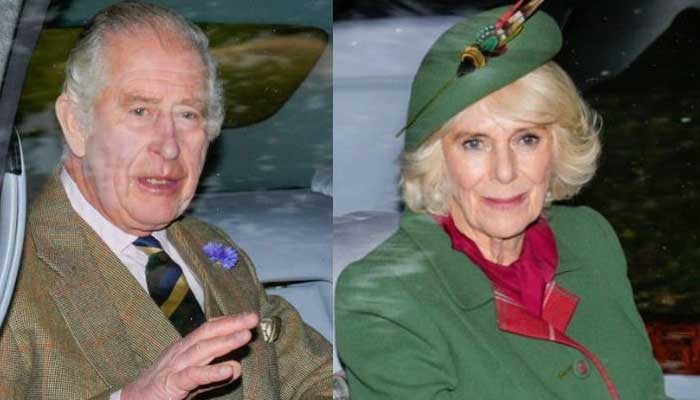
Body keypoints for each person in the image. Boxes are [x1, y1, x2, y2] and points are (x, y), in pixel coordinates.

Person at [335, 4, 670, 400]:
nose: (505, 172)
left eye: (527, 139)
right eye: (474, 143)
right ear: (438, 160)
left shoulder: (589, 236)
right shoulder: (383, 296)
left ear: (557, 147)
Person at [0, 2, 331, 399]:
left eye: (188, 115)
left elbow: (315, 375)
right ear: (76, 124)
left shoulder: (211, 248)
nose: (170, 146)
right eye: (141, 111)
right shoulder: (11, 275)